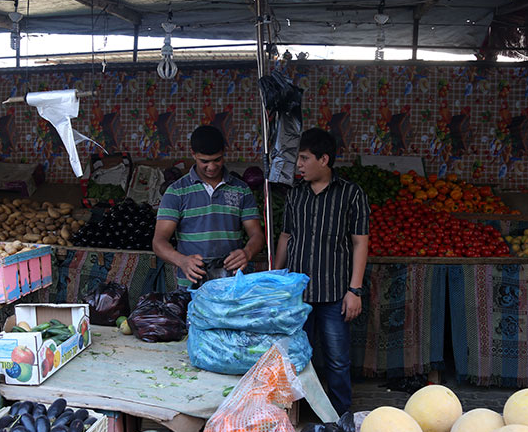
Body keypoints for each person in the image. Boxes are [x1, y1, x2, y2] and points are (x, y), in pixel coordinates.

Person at [275, 128, 369, 416]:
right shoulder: (295, 195)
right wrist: (274, 280)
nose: (299, 165)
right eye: (297, 159)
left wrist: (354, 290)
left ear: (324, 159)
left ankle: (340, 419)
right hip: (297, 294)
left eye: (304, 158)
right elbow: (286, 237)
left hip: (333, 294)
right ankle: (294, 416)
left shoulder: (351, 194)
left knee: (337, 361)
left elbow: (360, 243)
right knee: (295, 358)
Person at [153, 125, 265, 288]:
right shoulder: (176, 192)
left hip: (231, 285)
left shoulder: (241, 190)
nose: (211, 167)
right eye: (204, 161)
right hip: (191, 287)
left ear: (224, 152)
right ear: (193, 154)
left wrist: (247, 252)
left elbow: (257, 235)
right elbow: (159, 241)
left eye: (217, 160)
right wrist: (182, 261)